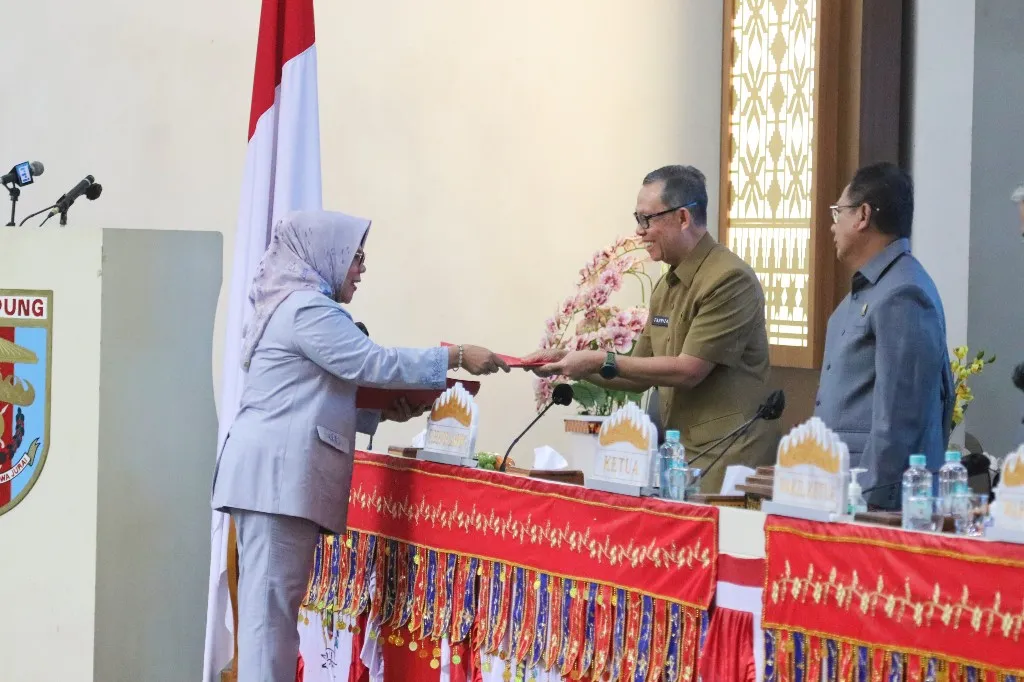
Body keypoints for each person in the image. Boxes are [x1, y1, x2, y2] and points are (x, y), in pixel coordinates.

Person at [211, 210, 508, 682]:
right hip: (275, 481)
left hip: (273, 480)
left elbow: (313, 393)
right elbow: (371, 362)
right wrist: (453, 356)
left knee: (273, 619)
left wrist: (385, 412)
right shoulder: (307, 308)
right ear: (324, 254)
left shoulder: (297, 305)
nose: (361, 268)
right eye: (355, 256)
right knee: (269, 624)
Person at [527, 165, 779, 493]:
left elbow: (689, 370)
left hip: (728, 452)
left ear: (683, 218)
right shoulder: (666, 285)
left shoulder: (729, 279)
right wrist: (568, 361)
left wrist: (599, 360)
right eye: (638, 218)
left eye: (647, 219)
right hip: (680, 452)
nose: (639, 231)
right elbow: (637, 375)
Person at [815, 162, 953, 508]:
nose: (832, 225)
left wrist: (868, 503)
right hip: (839, 489)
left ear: (863, 216)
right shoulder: (873, 289)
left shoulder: (903, 293)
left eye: (838, 212)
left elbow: (899, 420)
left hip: (874, 503)